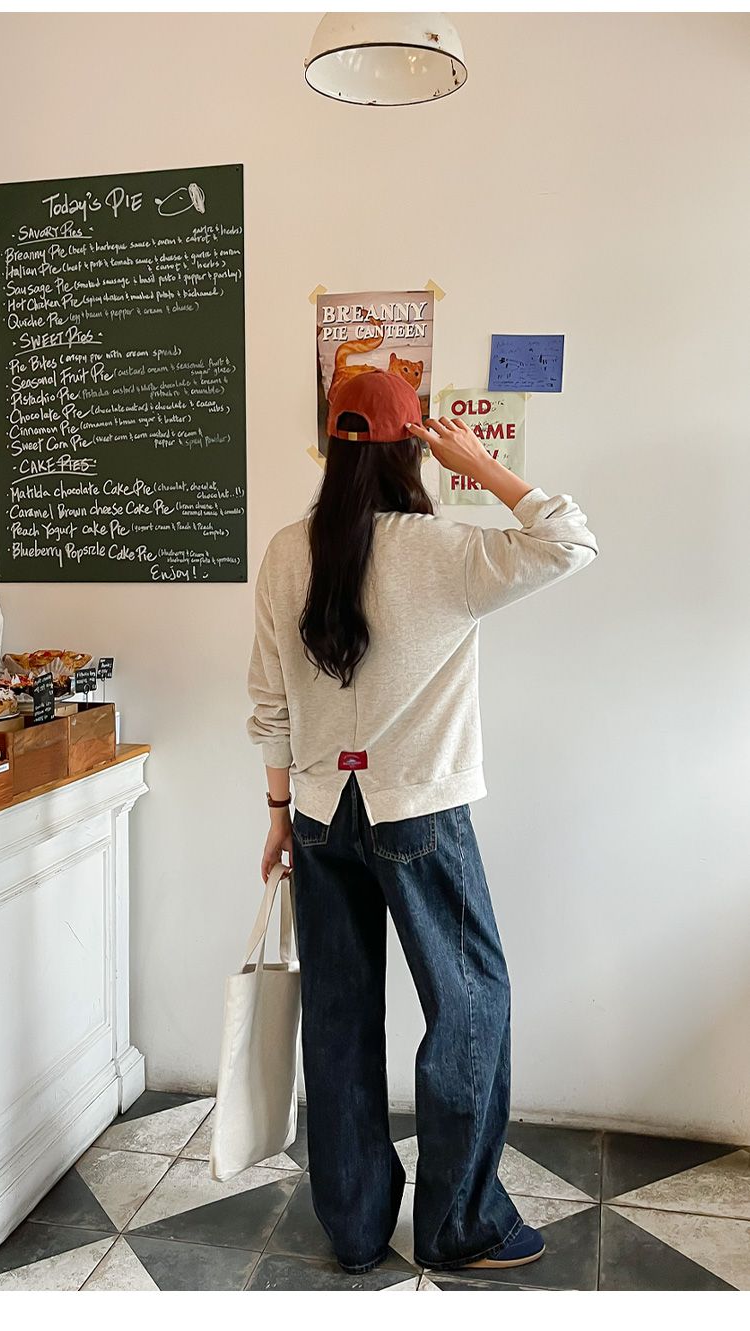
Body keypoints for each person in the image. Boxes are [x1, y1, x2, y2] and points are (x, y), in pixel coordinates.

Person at [247, 369, 598, 1275]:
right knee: (471, 1000)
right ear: (413, 452)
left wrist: (279, 813)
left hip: (319, 813)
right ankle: (460, 1225)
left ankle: (356, 1227)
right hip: (419, 810)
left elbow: (269, 702)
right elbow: (570, 539)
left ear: (331, 449)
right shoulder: (445, 550)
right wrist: (481, 466)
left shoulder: (286, 551)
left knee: (338, 1018)